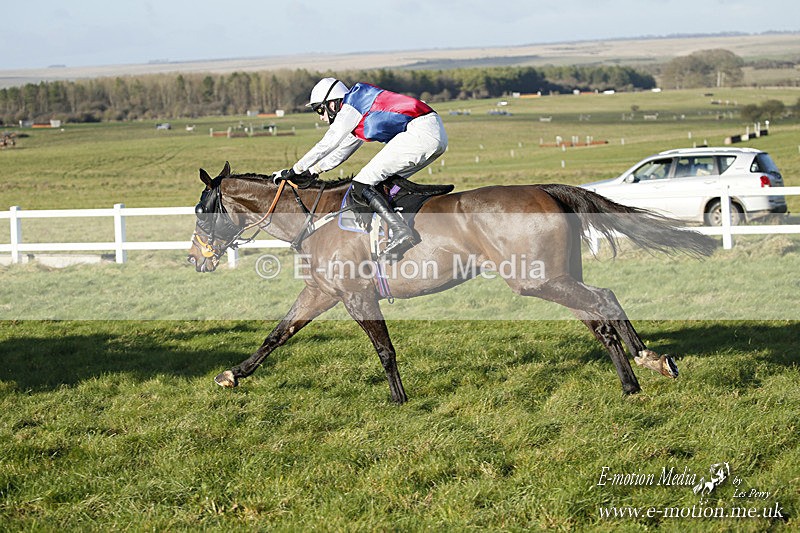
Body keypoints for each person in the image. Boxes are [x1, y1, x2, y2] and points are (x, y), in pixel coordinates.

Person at [276, 78, 448, 259]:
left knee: (361, 183)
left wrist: (295, 169)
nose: (321, 116)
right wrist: (314, 171)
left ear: (333, 103)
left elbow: (328, 143)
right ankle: (395, 230)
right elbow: (342, 151)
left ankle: (400, 230)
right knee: (384, 184)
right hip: (433, 134)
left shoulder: (352, 104)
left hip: (420, 132)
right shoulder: (356, 112)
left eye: (320, 109)